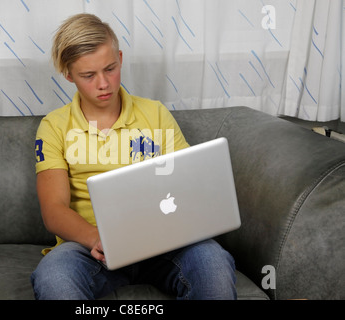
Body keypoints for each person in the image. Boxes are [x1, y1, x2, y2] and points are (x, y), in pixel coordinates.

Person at [30, 13, 237, 300]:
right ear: (68, 75)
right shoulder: (54, 126)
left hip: (165, 242)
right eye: (88, 76)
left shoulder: (155, 114)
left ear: (121, 58)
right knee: (53, 275)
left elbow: (191, 183)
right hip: (91, 248)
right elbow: (53, 210)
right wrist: (97, 239)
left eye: (110, 68)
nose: (103, 83)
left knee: (213, 262)